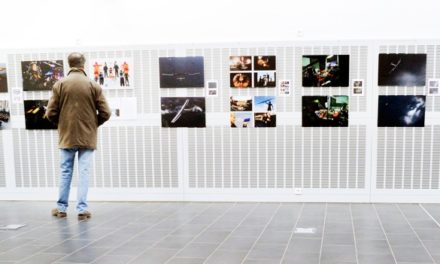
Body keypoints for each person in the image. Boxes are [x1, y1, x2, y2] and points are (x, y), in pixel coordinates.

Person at [46, 52, 111, 220]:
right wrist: (92, 125)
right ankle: (82, 210)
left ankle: (61, 209)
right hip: (87, 137)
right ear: (83, 64)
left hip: (67, 136)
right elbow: (106, 113)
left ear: (69, 64)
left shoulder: (59, 84)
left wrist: (63, 125)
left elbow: (50, 113)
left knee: (65, 171)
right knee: (84, 172)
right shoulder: (93, 85)